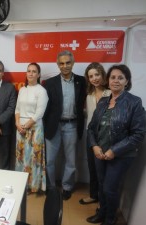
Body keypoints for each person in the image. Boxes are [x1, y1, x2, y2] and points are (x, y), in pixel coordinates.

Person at [86, 64, 146, 225]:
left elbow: (138, 134)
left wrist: (115, 150)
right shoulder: (104, 101)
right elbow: (91, 128)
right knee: (101, 185)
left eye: (120, 78)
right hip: (100, 152)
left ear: (127, 81)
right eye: (113, 77)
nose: (116, 81)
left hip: (121, 156)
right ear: (108, 80)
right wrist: (95, 146)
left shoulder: (134, 102)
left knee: (109, 188)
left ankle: (110, 219)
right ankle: (102, 213)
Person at [43, 50, 86, 200]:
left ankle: (67, 187)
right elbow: (46, 108)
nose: (65, 66)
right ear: (57, 65)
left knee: (71, 160)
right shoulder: (50, 83)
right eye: (61, 63)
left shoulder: (82, 81)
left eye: (68, 62)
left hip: (72, 126)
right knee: (49, 160)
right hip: (53, 126)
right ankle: (51, 187)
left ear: (73, 63)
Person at [79, 62, 111, 205]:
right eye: (91, 76)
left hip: (106, 136)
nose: (94, 78)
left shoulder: (110, 93)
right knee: (92, 167)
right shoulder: (89, 94)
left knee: (103, 171)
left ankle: (104, 201)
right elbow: (90, 114)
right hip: (90, 135)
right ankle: (93, 195)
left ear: (102, 75)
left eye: (97, 75)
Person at [15, 63, 48, 194]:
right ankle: (22, 184)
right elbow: (17, 109)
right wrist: (18, 124)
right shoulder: (22, 90)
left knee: (32, 158)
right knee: (21, 158)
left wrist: (25, 126)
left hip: (34, 129)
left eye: (34, 71)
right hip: (20, 129)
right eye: (29, 71)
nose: (31, 73)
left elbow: (39, 113)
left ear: (38, 74)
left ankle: (32, 186)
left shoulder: (41, 91)